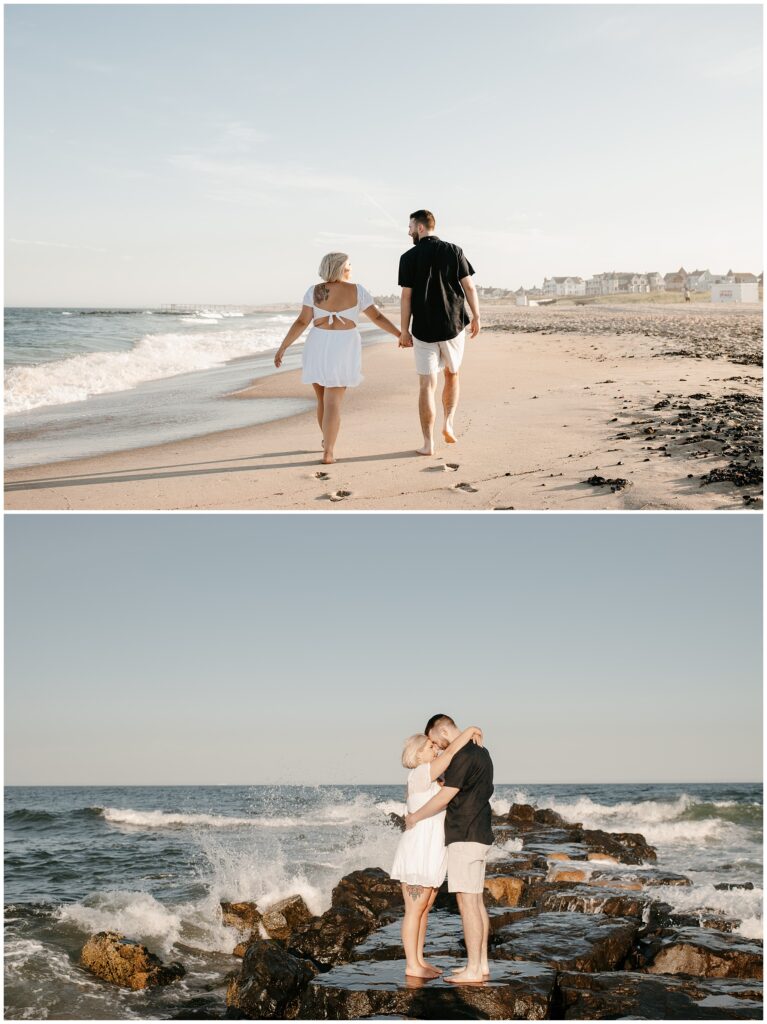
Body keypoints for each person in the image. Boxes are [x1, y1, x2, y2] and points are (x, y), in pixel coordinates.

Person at [274, 253, 400, 464]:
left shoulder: (314, 291)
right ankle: (328, 452)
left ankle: (326, 442)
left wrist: (283, 347)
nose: (351, 267)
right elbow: (377, 317)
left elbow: (301, 322)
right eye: (349, 264)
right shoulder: (357, 290)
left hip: (318, 345)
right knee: (333, 401)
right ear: (342, 268)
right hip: (344, 346)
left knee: (322, 399)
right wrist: (399, 334)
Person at [405, 713, 494, 984]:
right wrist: (469, 731)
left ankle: (474, 969)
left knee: (468, 903)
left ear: (442, 732)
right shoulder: (481, 751)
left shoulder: (463, 755)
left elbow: (447, 795)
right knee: (475, 902)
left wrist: (414, 816)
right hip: (478, 830)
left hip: (465, 834)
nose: (438, 748)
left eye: (435, 741)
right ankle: (480, 964)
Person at [398, 211, 481, 456]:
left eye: (411, 226)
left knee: (426, 385)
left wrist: (404, 331)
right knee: (452, 374)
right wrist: (476, 315)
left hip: (423, 328)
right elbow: (469, 286)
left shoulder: (407, 257)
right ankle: (449, 423)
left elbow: (406, 297)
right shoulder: (454, 250)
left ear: (421, 228)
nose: (409, 230)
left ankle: (428, 444)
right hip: (453, 324)